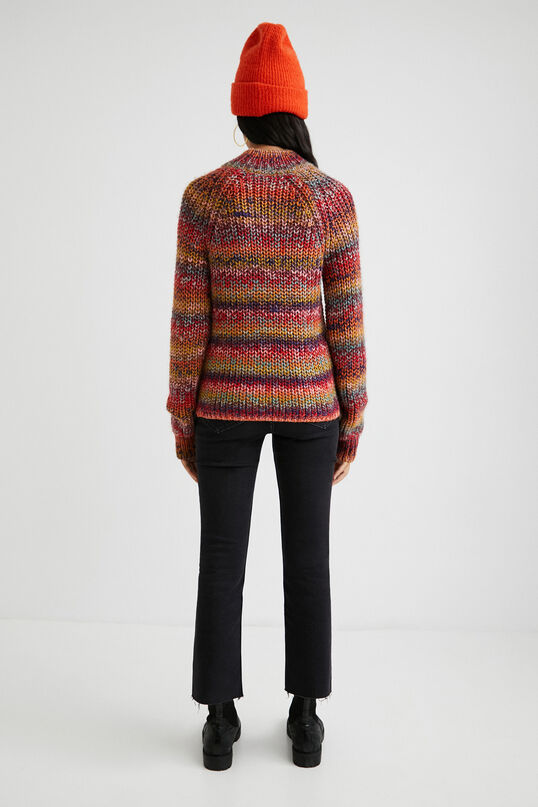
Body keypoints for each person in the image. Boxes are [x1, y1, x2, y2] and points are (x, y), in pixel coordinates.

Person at [166, 21, 368, 770]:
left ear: (243, 109)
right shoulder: (331, 200)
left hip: (222, 408)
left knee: (221, 559)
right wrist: (352, 418)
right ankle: (306, 717)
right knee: (308, 560)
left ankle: (219, 721)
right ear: (296, 109)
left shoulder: (204, 198)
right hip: (312, 406)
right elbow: (346, 324)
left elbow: (190, 324)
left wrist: (183, 418)